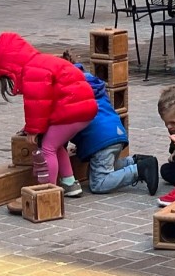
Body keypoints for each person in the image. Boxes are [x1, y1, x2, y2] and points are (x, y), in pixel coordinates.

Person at [0, 32, 97, 198]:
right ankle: (70, 184)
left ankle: (47, 192)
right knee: (56, 144)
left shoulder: (32, 70)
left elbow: (37, 103)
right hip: (83, 107)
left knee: (47, 147)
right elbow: (46, 102)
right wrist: (31, 127)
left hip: (73, 110)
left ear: (10, 65)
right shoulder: (40, 61)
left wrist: (33, 130)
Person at [62, 51, 159, 197]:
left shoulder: (68, 89)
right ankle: (135, 161)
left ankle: (139, 170)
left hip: (102, 140)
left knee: (98, 183)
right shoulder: (91, 81)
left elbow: (64, 122)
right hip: (115, 132)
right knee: (100, 169)